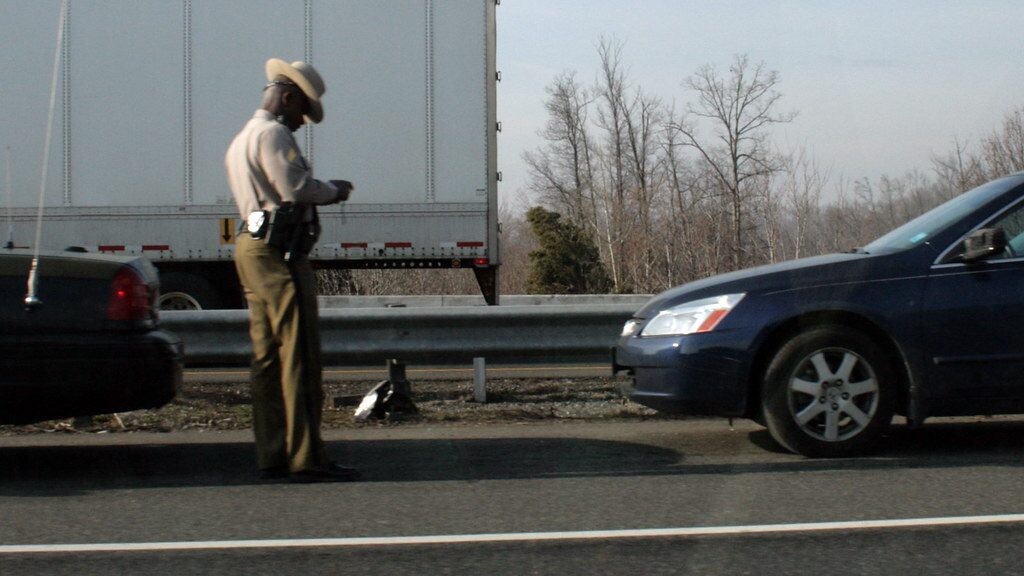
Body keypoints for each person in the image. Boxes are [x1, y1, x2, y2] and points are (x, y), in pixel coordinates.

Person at [225, 58, 357, 483]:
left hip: (251, 246)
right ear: (286, 97)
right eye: (302, 110)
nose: (302, 122)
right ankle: (306, 456)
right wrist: (335, 190)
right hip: (278, 251)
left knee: (265, 357)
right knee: (298, 353)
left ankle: (273, 452)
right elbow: (295, 188)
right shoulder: (274, 134)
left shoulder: (242, 138)